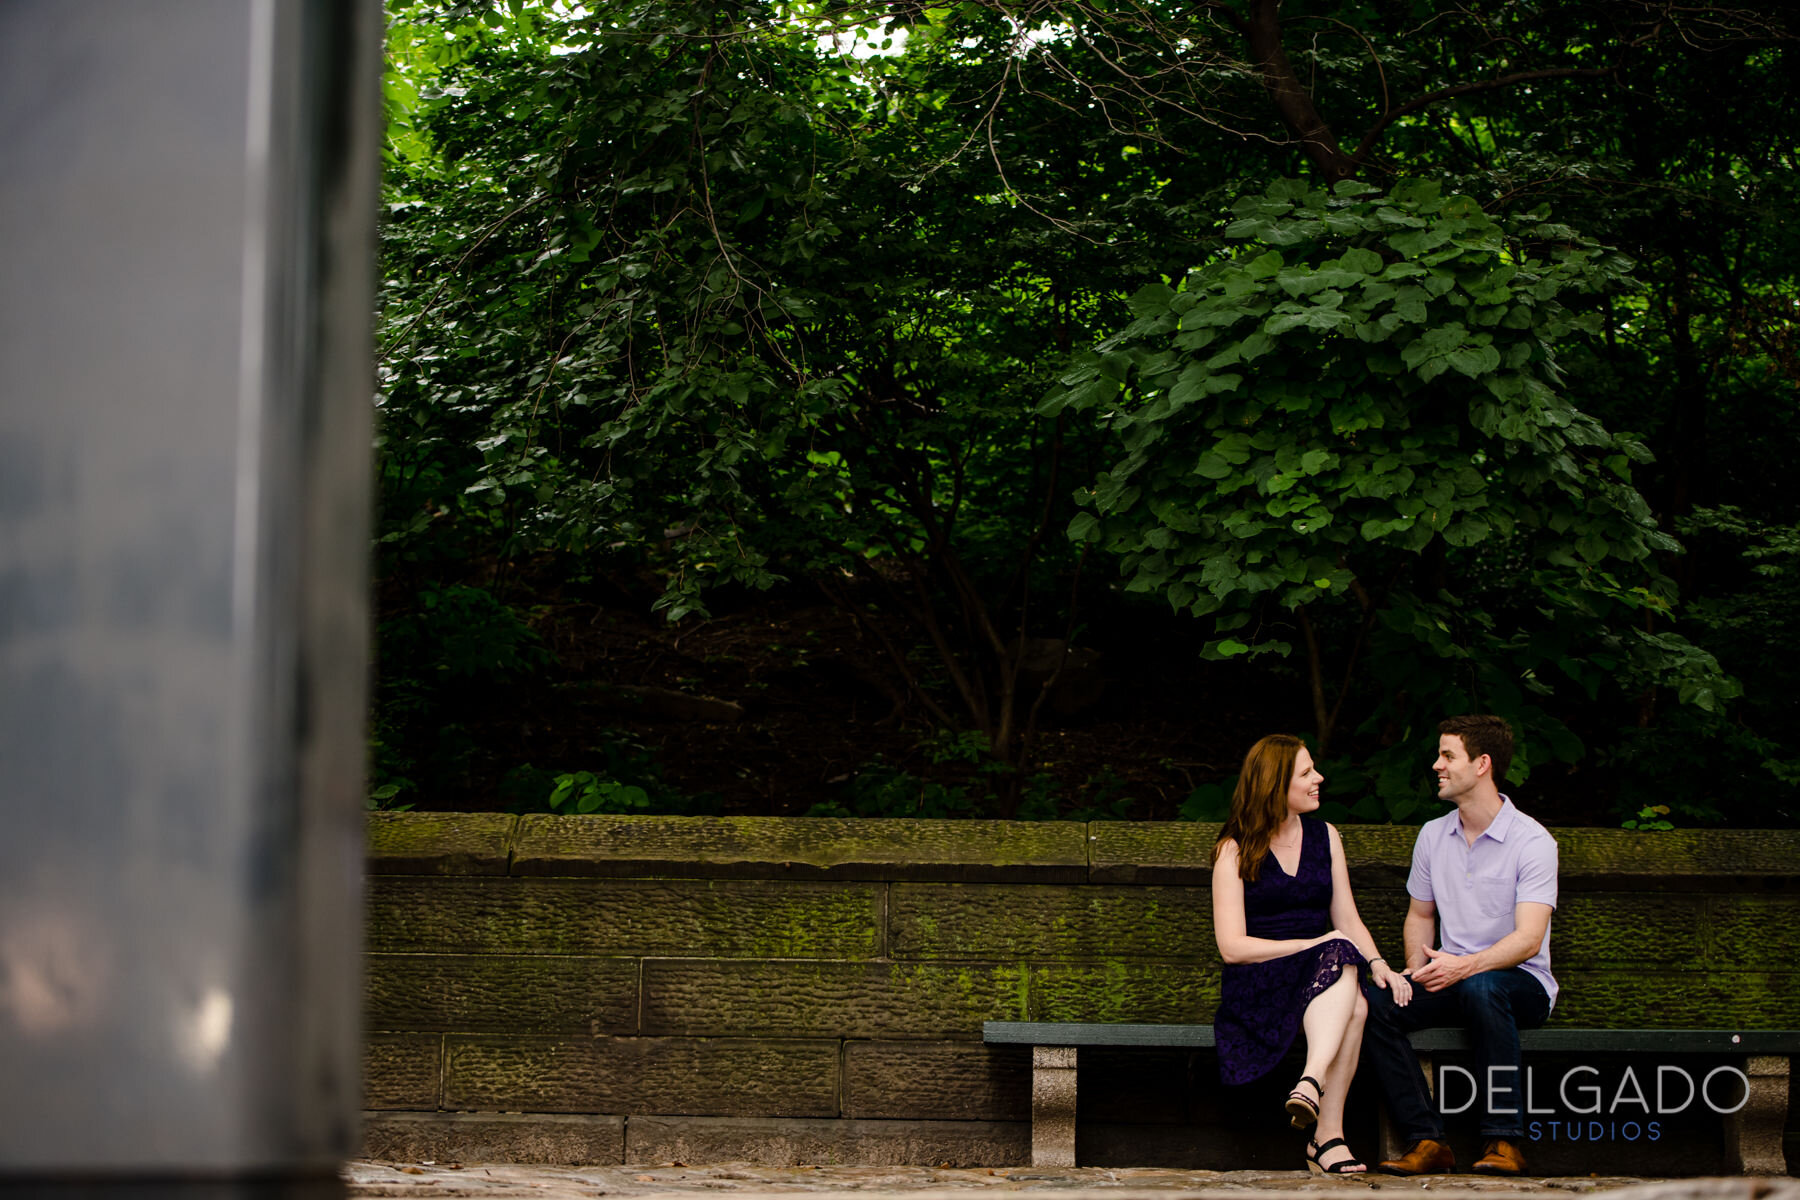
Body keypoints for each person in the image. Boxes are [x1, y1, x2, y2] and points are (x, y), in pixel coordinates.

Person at [1360, 714, 1558, 1177]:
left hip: (1522, 985)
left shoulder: (1532, 841)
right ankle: (1427, 1140)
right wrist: (1415, 969)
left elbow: (1529, 940)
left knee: (1484, 988)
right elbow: (1421, 916)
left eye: (1448, 755)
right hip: (1453, 975)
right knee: (1372, 1002)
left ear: (1482, 764)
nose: (1437, 765)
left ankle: (1504, 1141)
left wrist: (1463, 967)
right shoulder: (1434, 835)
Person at [1211, 734, 1413, 1175]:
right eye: (1306, 773)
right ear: (1274, 785)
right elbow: (1232, 947)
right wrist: (1314, 945)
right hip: (1260, 979)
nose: (1319, 779)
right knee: (1349, 989)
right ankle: (1327, 1137)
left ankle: (1311, 1086)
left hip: (1323, 975)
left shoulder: (1326, 836)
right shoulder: (1234, 849)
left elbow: (1348, 917)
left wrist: (1379, 964)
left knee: (1356, 998)